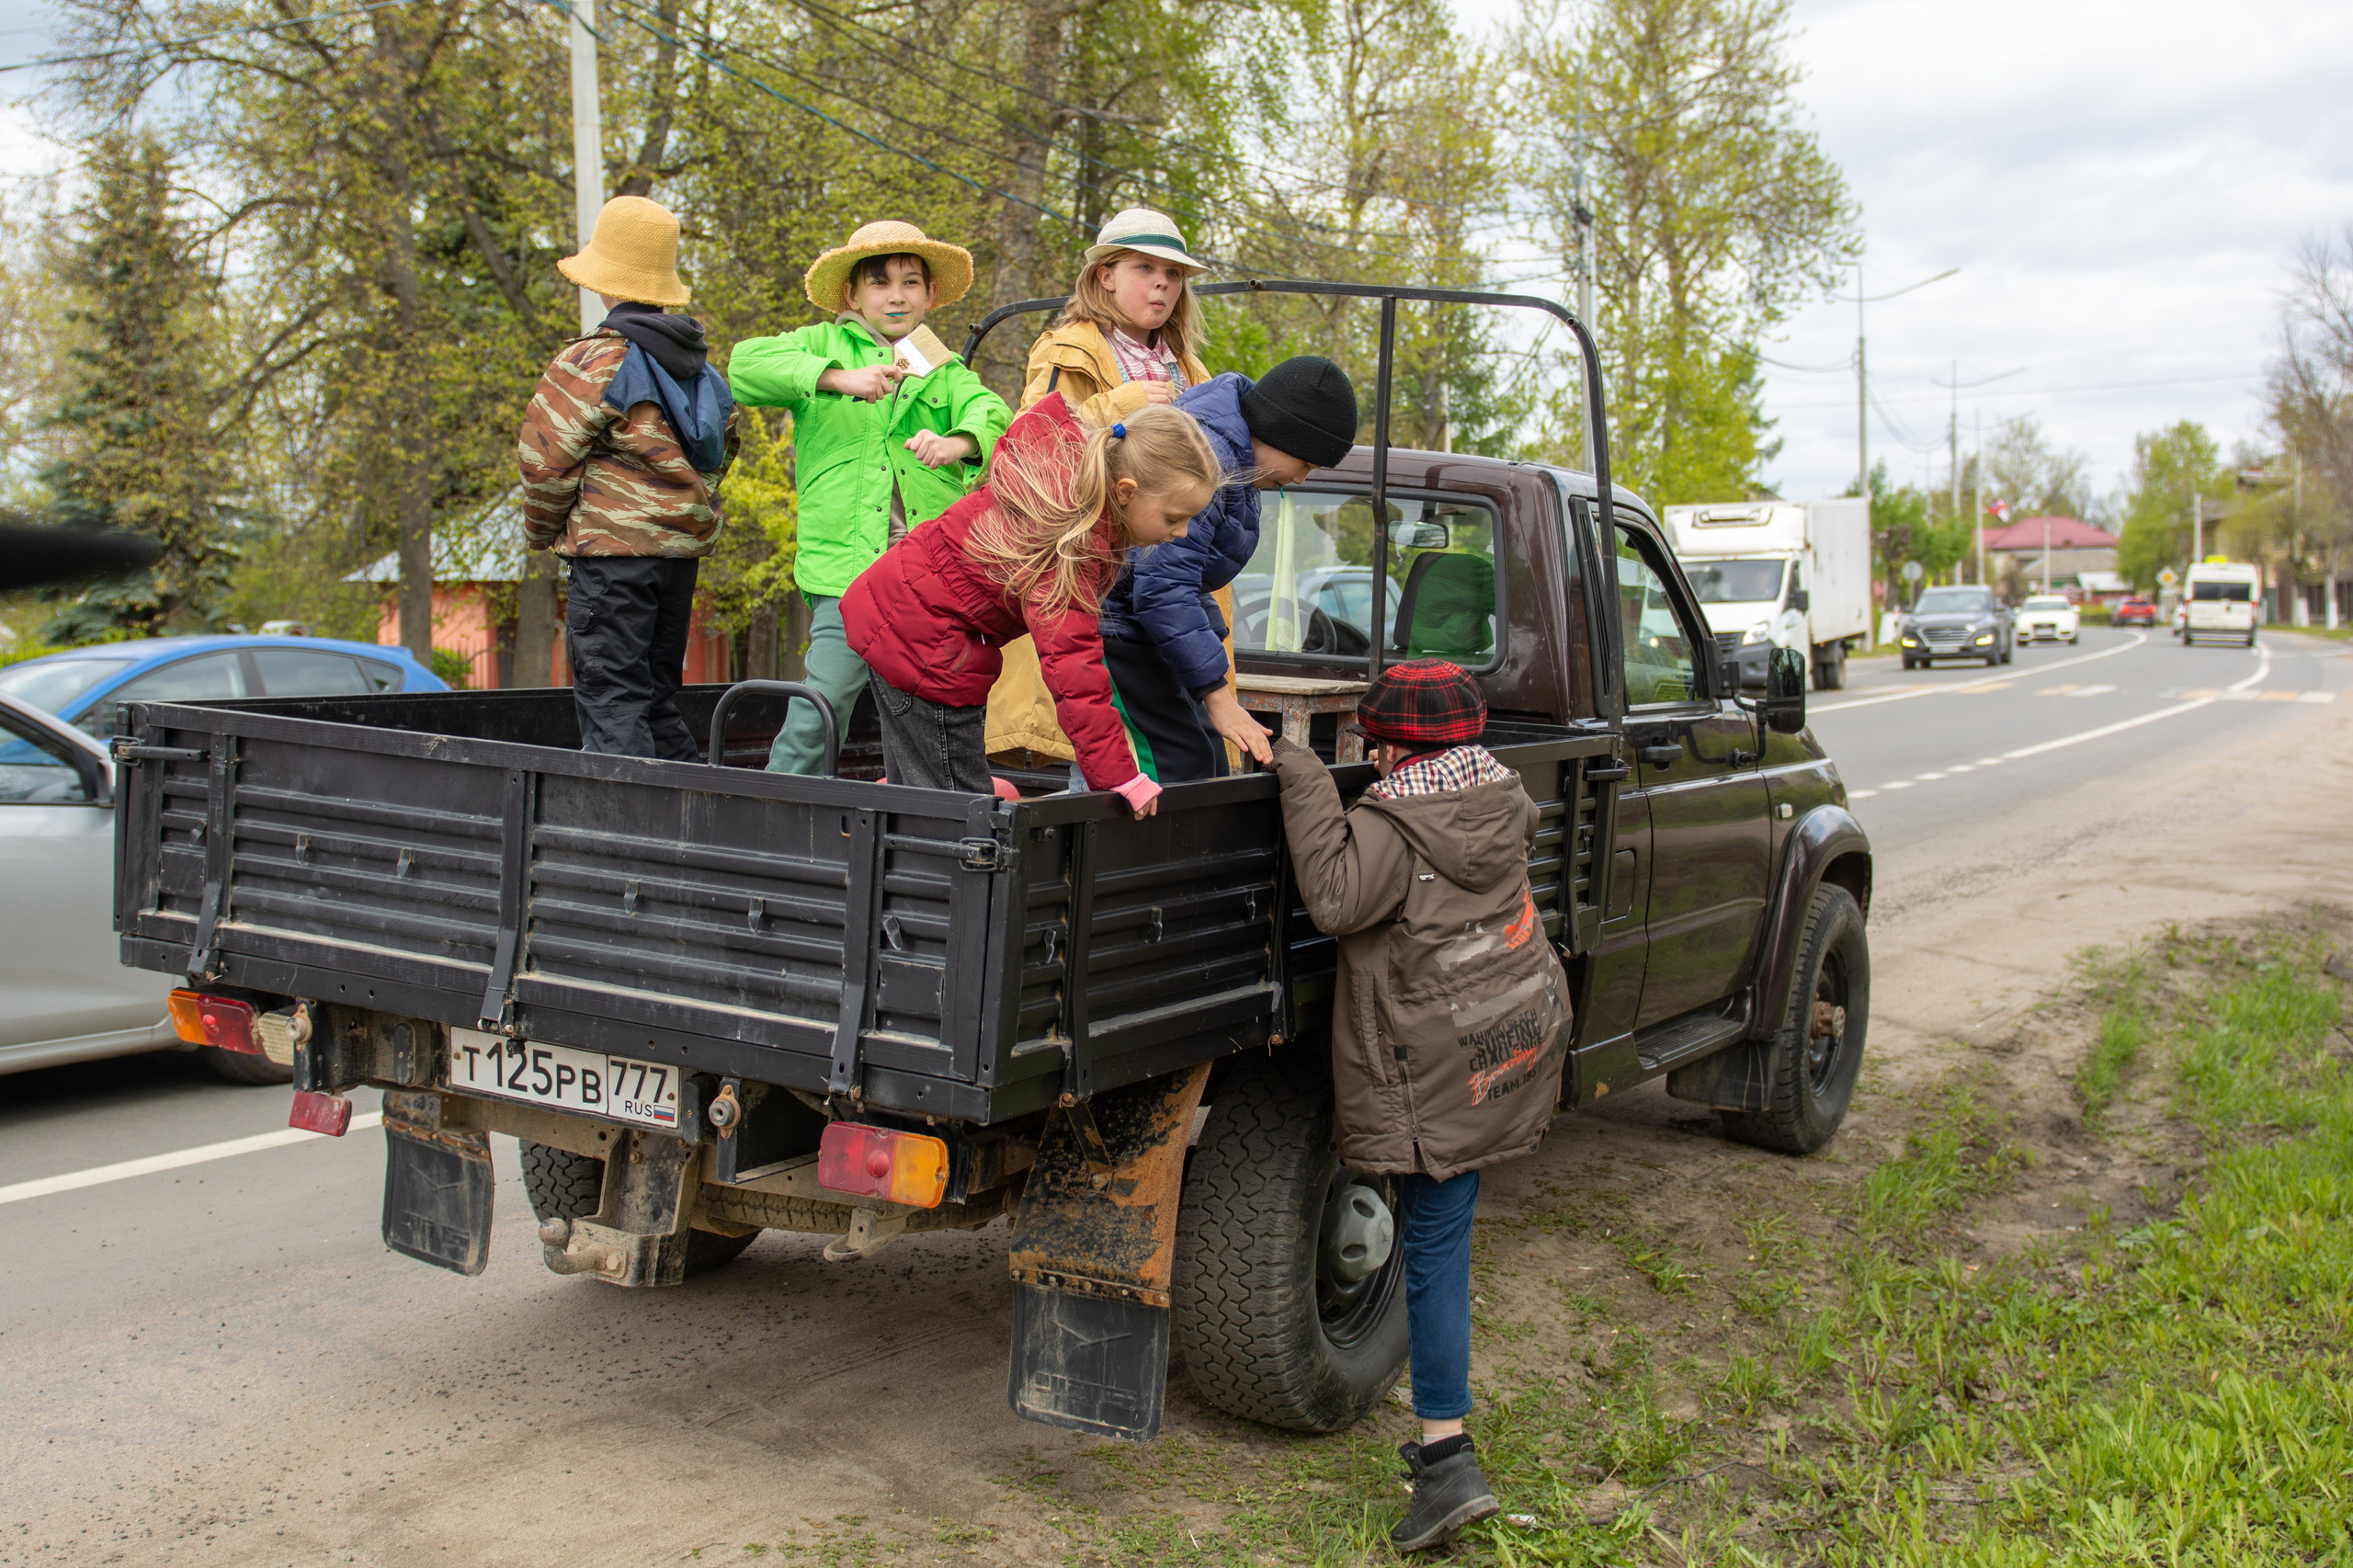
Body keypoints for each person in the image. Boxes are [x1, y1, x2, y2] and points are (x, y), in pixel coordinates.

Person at [1267, 660, 1573, 1552]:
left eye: (1374, 741)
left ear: (1395, 747)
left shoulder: (1394, 823)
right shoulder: (1503, 798)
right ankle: (1445, 1449)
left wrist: (1298, 767)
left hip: (1426, 1064)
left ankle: (1448, 1460)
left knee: (1434, 1250)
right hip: (1491, 1046)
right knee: (1445, 1239)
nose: (1369, 753)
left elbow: (1334, 897)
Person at [840, 396, 1223, 817]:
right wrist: (1121, 777)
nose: (1182, 533)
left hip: (900, 616)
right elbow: (1074, 670)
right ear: (1126, 491)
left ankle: (904, 836)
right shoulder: (1072, 543)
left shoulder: (1065, 484)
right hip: (925, 644)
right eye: (1173, 518)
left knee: (920, 798)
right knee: (960, 816)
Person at [727, 221, 1011, 775]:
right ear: (852, 295)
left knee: (924, 717)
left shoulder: (943, 369)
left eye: (910, 282)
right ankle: (774, 807)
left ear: (929, 294)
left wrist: (956, 443)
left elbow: (994, 414)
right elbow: (745, 366)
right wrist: (839, 379)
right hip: (847, 571)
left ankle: (912, 817)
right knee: (823, 706)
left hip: (924, 578)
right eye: (880, 282)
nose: (896, 295)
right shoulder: (821, 344)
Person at [990, 209, 1215, 764]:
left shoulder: (1191, 369)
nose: (1162, 284)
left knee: (1171, 739)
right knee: (1101, 731)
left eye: (1174, 273)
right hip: (1098, 570)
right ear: (1104, 276)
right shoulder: (1065, 349)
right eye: (1145, 268)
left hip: (1169, 575)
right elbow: (1028, 447)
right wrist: (1123, 405)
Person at [519, 195, 736, 761]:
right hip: (677, 560)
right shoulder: (699, 369)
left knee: (613, 702)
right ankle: (695, 808)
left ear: (604, 284)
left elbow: (545, 463)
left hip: (611, 562)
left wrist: (544, 532)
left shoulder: (592, 361)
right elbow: (722, 452)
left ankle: (634, 818)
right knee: (656, 702)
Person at [1097, 357, 1358, 782]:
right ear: (1280, 433)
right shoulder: (1208, 462)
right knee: (1176, 771)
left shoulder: (1237, 465)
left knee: (1209, 766)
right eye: (1305, 464)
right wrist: (1217, 697)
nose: (1301, 480)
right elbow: (1162, 585)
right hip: (1120, 635)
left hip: (1154, 635)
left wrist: (1210, 655)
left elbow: (1188, 577)